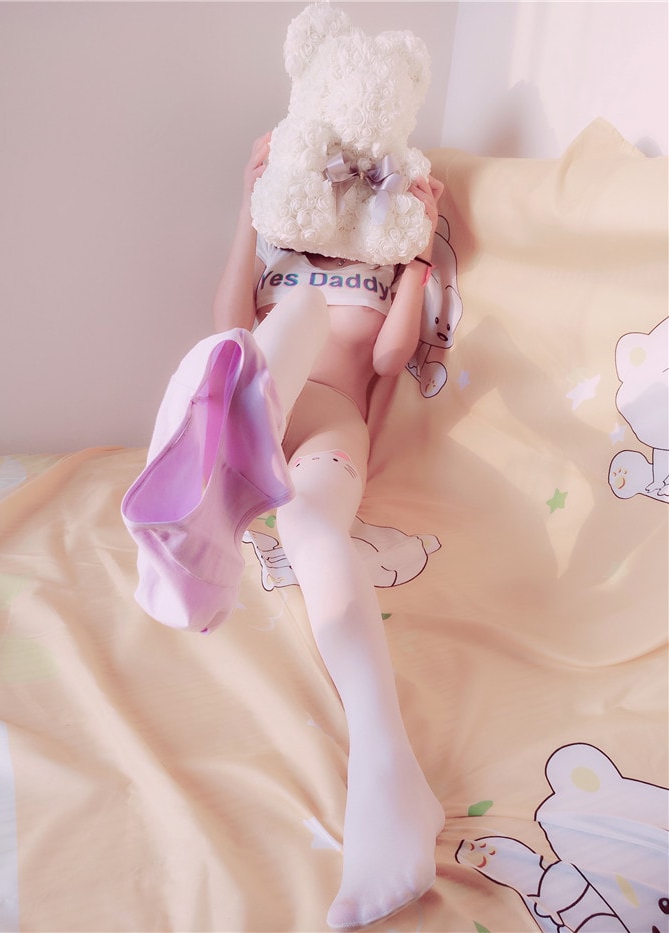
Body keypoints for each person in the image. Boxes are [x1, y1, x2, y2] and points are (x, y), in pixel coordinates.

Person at [212, 132, 446, 931]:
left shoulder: (381, 262)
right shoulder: (277, 248)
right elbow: (227, 324)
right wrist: (247, 213)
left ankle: (388, 777)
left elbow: (389, 357)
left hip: (327, 429)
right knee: (277, 330)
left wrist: (416, 258)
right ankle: (218, 463)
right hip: (260, 396)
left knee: (313, 526)